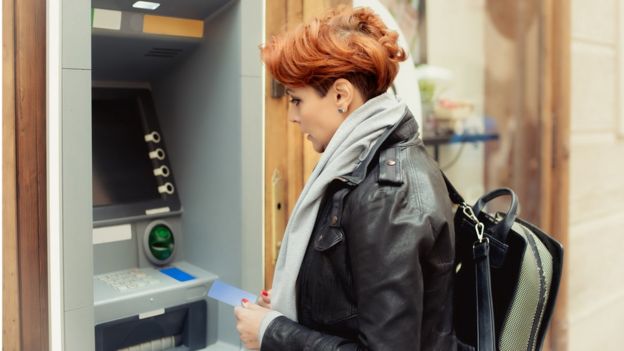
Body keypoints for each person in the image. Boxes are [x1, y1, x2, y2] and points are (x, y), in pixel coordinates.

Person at [235, 6, 456, 350]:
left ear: (340, 95)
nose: (293, 117)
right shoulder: (362, 165)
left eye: (297, 100)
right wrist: (292, 306)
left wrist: (273, 333)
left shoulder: (386, 195)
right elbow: (352, 297)